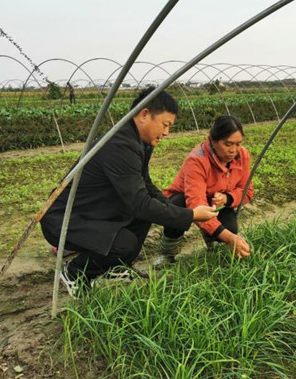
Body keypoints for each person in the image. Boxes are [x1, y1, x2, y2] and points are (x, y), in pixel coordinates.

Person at [40, 87, 218, 296]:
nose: (167, 132)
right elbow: (140, 203)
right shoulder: (120, 145)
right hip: (64, 221)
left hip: (92, 211)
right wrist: (191, 215)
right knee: (124, 242)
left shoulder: (137, 141)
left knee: (142, 217)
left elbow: (145, 184)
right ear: (144, 115)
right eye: (165, 125)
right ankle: (76, 273)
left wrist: (169, 206)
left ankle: (113, 268)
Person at [161, 115, 254, 261]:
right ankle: (168, 255)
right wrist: (230, 238)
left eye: (238, 144)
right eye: (228, 144)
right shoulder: (197, 160)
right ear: (212, 140)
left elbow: (247, 191)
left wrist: (227, 198)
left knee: (229, 228)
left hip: (215, 203)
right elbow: (196, 205)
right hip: (187, 201)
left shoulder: (243, 156)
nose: (234, 150)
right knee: (177, 208)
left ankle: (211, 242)